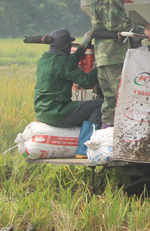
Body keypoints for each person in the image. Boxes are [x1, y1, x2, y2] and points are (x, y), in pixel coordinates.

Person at [90, 0, 150, 128]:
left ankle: (106, 140)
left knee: (111, 103)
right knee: (124, 98)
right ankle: (122, 139)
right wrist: (143, 30)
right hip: (113, 56)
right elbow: (115, 23)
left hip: (105, 56)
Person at [33, 28, 102, 158]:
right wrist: (98, 66)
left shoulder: (44, 59)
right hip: (58, 113)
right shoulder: (62, 63)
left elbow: (67, 64)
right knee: (99, 105)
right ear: (66, 47)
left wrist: (83, 45)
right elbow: (87, 82)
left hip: (43, 112)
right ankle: (84, 149)